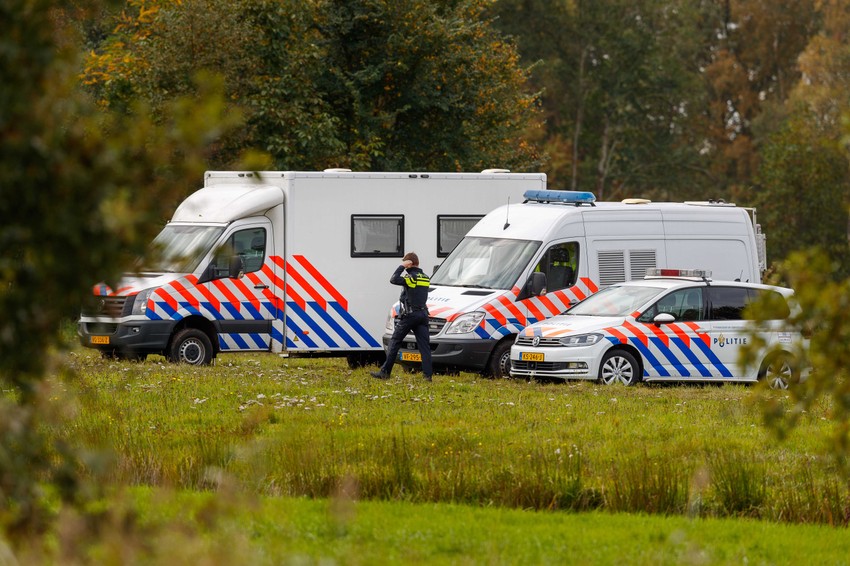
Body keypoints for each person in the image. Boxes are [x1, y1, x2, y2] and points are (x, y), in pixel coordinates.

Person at [371, 252, 433, 381]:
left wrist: (401, 267)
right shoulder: (426, 277)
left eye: (406, 262)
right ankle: (428, 376)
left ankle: (385, 372)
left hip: (411, 315)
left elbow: (393, 279)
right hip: (423, 315)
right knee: (424, 347)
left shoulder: (412, 278)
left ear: (409, 263)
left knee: (395, 342)